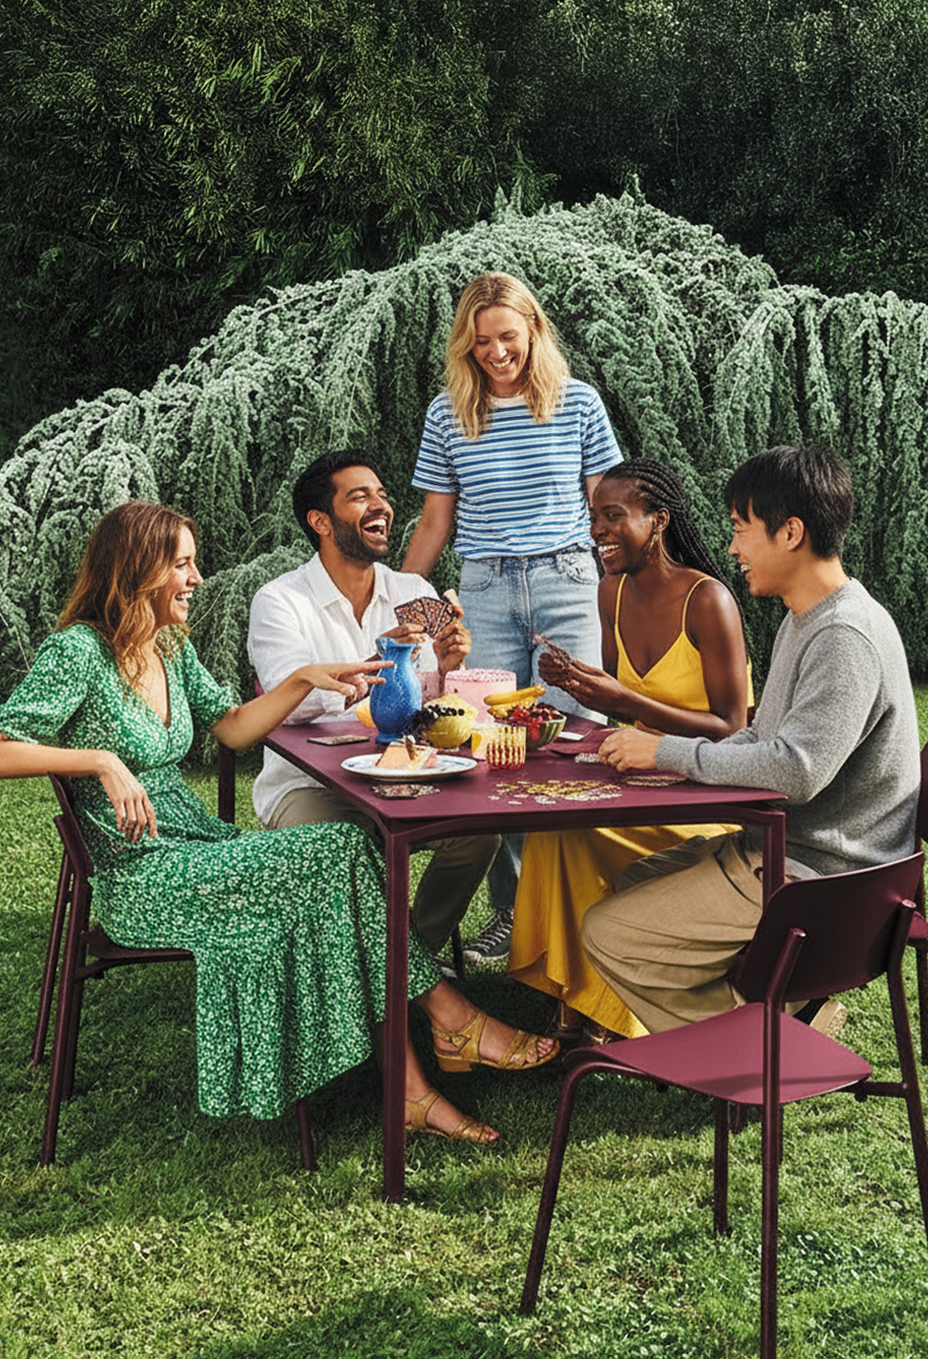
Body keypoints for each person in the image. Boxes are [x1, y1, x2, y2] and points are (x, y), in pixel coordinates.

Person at [0, 501, 558, 1146]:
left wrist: (300, 680)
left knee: (346, 860)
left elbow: (233, 727)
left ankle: (414, 1085)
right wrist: (100, 760)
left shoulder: (167, 649)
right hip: (143, 875)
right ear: (138, 571)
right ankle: (449, 1021)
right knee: (345, 848)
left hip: (200, 845)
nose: (198, 578)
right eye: (182, 565)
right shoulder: (77, 653)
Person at [582, 445, 920, 1037]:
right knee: (635, 881)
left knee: (609, 932)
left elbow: (796, 771)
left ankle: (765, 1052)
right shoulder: (804, 617)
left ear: (791, 533)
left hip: (821, 875)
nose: (732, 548)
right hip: (786, 845)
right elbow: (763, 737)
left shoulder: (844, 636)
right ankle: (785, 1016)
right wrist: (671, 761)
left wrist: (664, 751)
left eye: (741, 530)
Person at [402, 271, 622, 965]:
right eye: (482, 340)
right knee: (496, 749)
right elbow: (437, 519)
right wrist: (399, 596)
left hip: (567, 578)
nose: (496, 352)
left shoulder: (579, 404)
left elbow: (606, 508)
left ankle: (582, 905)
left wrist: (630, 588)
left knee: (576, 739)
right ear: (464, 344)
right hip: (488, 587)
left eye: (509, 337)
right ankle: (511, 912)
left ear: (534, 332)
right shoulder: (449, 415)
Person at [509, 461, 753, 1042]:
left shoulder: (708, 600)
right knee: (553, 826)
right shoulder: (611, 591)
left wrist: (618, 694)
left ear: (658, 521)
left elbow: (733, 729)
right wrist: (587, 688)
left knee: (576, 832)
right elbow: (628, 712)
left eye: (614, 517)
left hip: (705, 804)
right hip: (643, 788)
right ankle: (580, 1001)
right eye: (594, 517)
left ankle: (593, 1009)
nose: (598, 531)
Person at [248, 450, 499, 962]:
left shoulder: (412, 591)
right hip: (310, 786)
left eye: (382, 494)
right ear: (320, 521)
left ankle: (410, 964)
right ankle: (396, 980)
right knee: (339, 844)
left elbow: (429, 706)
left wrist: (449, 669)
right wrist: (375, 660)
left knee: (480, 833)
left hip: (408, 773)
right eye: (360, 496)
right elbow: (287, 705)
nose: (380, 505)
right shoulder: (280, 601)